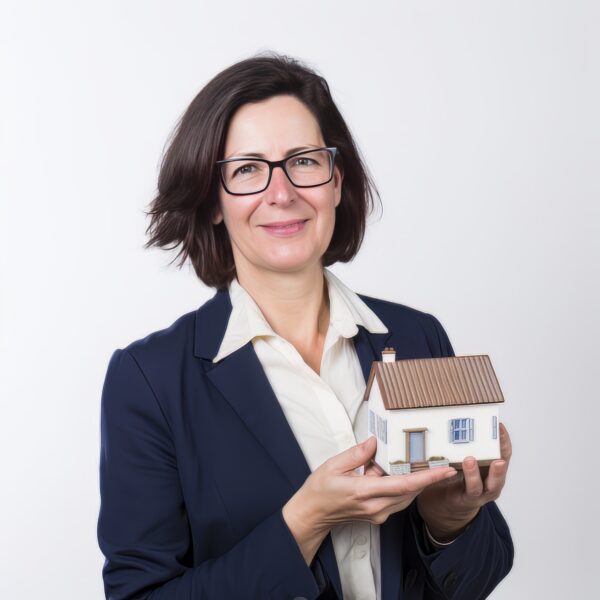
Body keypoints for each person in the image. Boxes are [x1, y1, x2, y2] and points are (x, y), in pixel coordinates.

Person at [97, 52, 513, 600]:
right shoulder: (149, 380)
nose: (282, 191)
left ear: (336, 182)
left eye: (305, 161)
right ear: (214, 201)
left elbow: (479, 576)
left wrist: (450, 521)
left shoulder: (417, 339)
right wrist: (304, 520)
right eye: (247, 169)